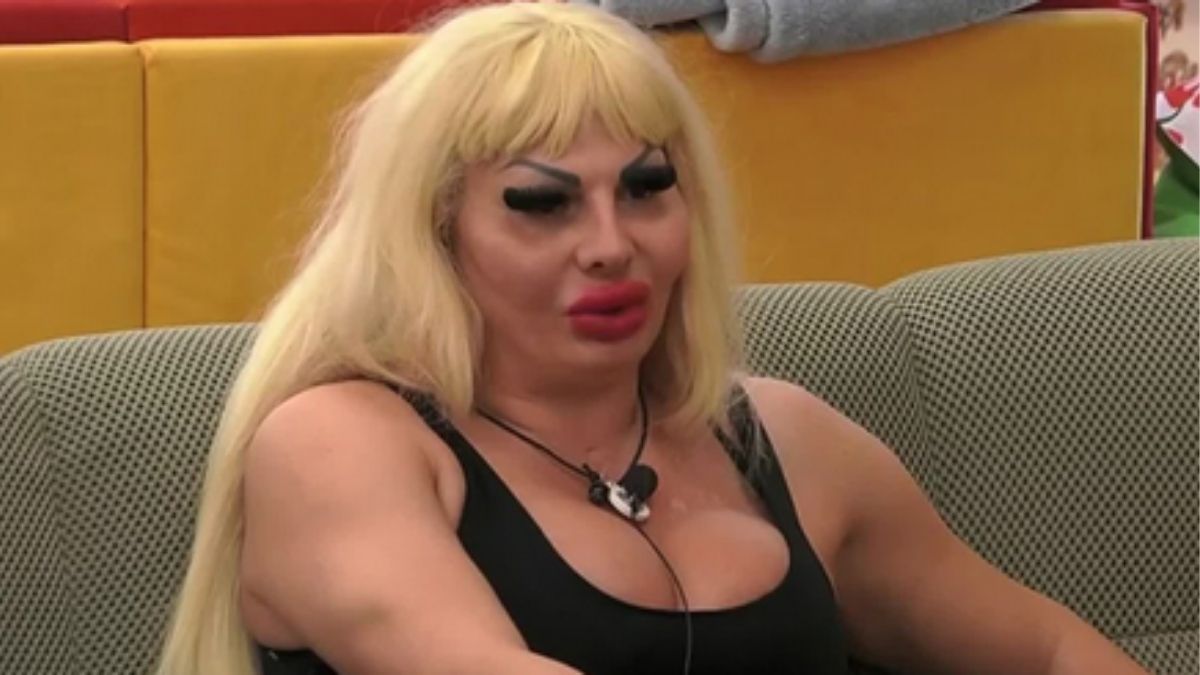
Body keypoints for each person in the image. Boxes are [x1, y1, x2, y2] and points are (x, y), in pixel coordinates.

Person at [155, 3, 1150, 674]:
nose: (609, 244)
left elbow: (1048, 651)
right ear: (435, 229)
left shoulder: (788, 440)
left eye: (645, 189)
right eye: (542, 204)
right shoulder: (341, 443)